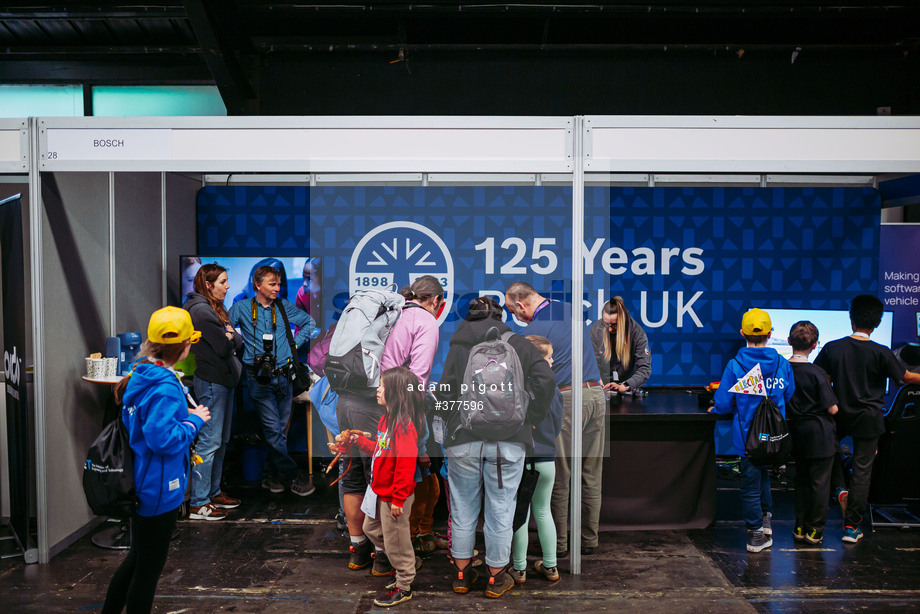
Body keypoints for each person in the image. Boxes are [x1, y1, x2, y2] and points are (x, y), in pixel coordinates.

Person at [437, 296, 555, 598]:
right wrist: (529, 418)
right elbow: (545, 380)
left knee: (463, 509)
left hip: (463, 440)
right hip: (509, 441)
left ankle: (462, 575)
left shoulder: (458, 344)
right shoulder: (518, 343)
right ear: (501, 316)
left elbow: (445, 392)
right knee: (501, 509)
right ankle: (496, 577)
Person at [102, 307, 211, 614]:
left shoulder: (142, 372)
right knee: (147, 571)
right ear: (186, 347)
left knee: (137, 560)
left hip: (142, 482)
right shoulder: (165, 387)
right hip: (157, 490)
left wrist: (183, 415)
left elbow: (150, 424)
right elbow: (161, 440)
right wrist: (194, 422)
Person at [337, 275, 443, 570]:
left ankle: (358, 550)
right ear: (435, 300)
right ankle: (384, 557)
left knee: (353, 476)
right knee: (379, 477)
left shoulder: (387, 310)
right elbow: (416, 381)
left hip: (346, 399)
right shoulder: (423, 321)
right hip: (378, 404)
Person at [504, 281, 605, 557]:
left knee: (560, 475)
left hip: (569, 400)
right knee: (591, 474)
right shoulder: (571, 310)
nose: (518, 317)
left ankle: (558, 546)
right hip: (596, 395)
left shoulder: (534, 332)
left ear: (522, 305)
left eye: (515, 311)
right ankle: (588, 540)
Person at [814, 294, 920, 543]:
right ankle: (851, 528)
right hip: (870, 418)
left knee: (831, 456)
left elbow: (821, 379)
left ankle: (839, 489)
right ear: (878, 322)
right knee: (863, 471)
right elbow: (905, 377)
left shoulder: (832, 347)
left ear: (851, 319)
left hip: (838, 414)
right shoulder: (882, 352)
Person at [338, 366, 424, 608]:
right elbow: (380, 450)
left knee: (396, 543)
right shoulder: (387, 420)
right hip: (380, 493)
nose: (377, 389)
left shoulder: (404, 426)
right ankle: (406, 561)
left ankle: (404, 585)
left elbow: (405, 465)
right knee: (370, 528)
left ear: (396, 393)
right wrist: (360, 442)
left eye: (383, 387)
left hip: (393, 497)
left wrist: (398, 498)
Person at [711, 307, 794, 553]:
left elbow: (724, 403)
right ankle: (766, 519)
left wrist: (715, 409)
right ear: (770, 333)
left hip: (747, 438)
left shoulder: (736, 364)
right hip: (775, 437)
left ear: (742, 333)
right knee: (765, 472)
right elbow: (788, 394)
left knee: (750, 484)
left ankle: (756, 535)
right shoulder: (781, 362)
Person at [228, 265, 316, 497]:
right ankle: (292, 477)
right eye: (272, 284)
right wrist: (239, 343)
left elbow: (310, 323)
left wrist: (295, 343)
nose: (277, 288)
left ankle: (269, 475)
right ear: (258, 285)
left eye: (278, 284)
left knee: (278, 433)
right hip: (258, 378)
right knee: (273, 430)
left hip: (285, 376)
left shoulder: (284, 306)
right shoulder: (242, 307)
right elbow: (225, 328)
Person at [183, 264, 244, 520]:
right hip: (211, 382)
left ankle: (213, 491)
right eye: (222, 281)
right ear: (208, 285)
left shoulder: (215, 308)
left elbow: (238, 341)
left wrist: (230, 335)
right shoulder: (200, 311)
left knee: (221, 440)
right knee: (209, 442)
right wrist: (229, 335)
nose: (227, 286)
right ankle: (199, 502)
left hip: (223, 381)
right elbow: (223, 346)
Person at [510, 335, 564, 584]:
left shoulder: (514, 390)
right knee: (544, 512)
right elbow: (556, 428)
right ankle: (551, 566)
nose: (552, 361)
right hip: (546, 459)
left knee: (519, 513)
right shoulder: (554, 391)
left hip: (521, 459)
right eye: (549, 356)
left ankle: (519, 569)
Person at [786, 321, 839, 546]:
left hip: (796, 434)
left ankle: (799, 526)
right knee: (820, 484)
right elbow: (832, 408)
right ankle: (815, 530)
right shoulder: (817, 373)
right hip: (820, 435)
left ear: (789, 342)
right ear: (816, 345)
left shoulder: (782, 370)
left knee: (802, 482)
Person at [589, 296, 651, 394]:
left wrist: (626, 385)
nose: (610, 329)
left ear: (623, 321)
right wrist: (597, 380)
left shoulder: (637, 333)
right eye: (606, 324)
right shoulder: (595, 331)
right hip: (602, 389)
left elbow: (644, 369)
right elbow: (591, 363)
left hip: (627, 388)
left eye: (615, 325)